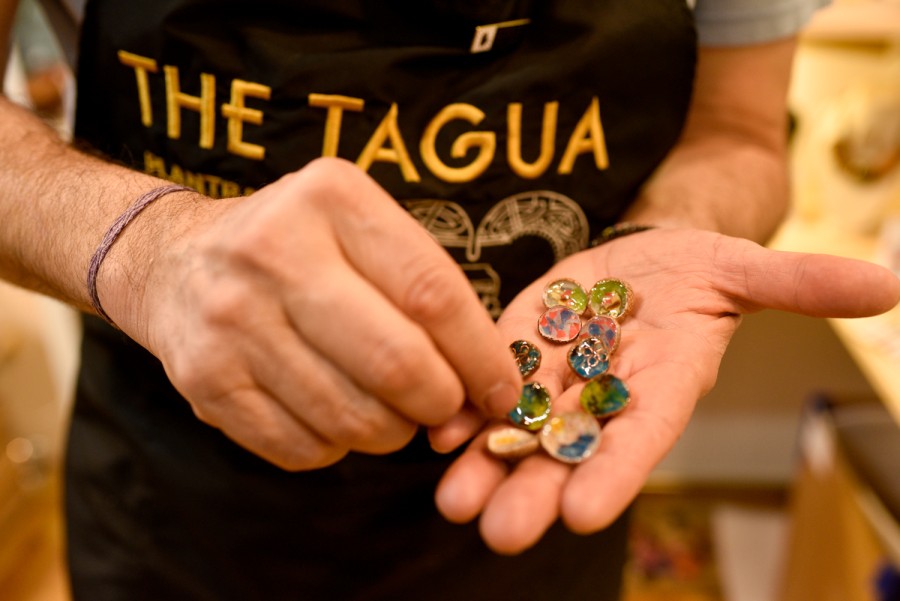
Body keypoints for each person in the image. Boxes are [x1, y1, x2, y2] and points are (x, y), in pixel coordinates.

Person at [1, 0, 898, 599]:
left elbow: (739, 131)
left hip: (541, 489)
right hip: (174, 507)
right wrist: (143, 247)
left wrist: (662, 237)